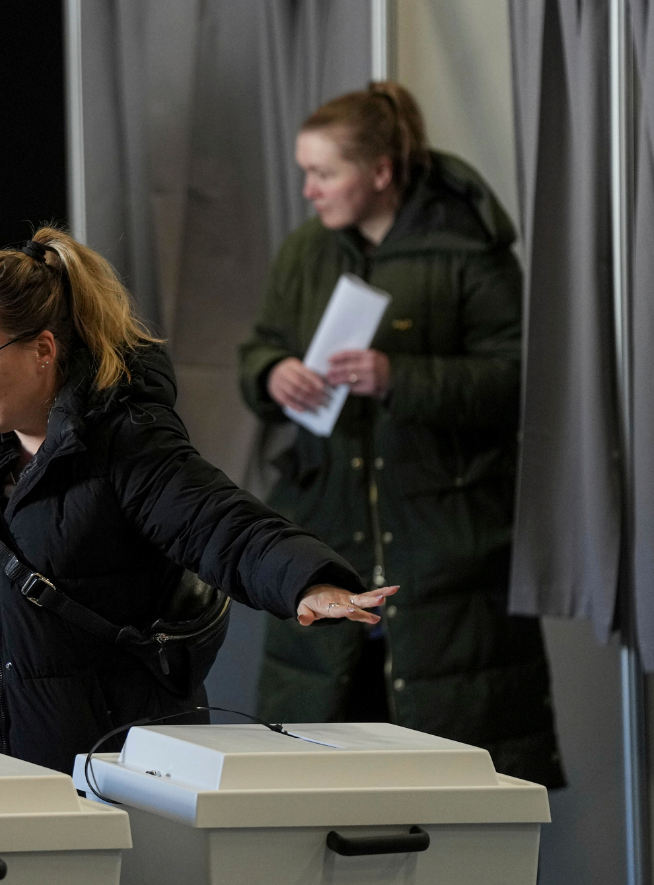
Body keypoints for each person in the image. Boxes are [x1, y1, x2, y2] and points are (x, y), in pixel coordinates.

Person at [0, 227, 397, 773]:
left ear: (43, 350)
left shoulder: (126, 439)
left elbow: (222, 523)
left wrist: (308, 581)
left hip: (109, 771)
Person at [239, 82, 564, 787]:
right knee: (326, 796)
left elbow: (523, 382)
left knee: (446, 800)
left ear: (380, 172)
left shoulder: (467, 248)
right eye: (305, 171)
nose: (308, 190)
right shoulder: (307, 252)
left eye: (324, 173)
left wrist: (400, 379)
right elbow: (258, 348)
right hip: (330, 546)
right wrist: (272, 376)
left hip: (446, 559)